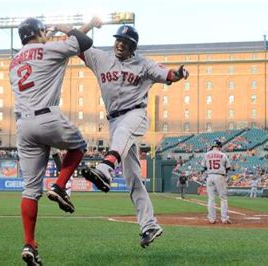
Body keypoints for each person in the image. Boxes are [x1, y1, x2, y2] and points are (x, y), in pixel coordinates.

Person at [79, 19, 189, 248]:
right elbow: (76, 42)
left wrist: (178, 73)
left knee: (122, 133)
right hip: (114, 119)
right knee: (132, 178)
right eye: (119, 39)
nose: (121, 44)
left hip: (136, 114)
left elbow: (168, 74)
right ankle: (150, 225)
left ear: (133, 47)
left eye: (126, 42)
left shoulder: (143, 64)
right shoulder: (101, 58)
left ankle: (105, 168)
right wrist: (87, 24)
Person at [9, 17, 93, 265]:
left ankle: (29, 244)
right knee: (79, 146)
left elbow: (65, 46)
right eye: (43, 31)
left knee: (30, 190)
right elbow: (83, 41)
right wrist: (66, 27)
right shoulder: (48, 48)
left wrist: (78, 28)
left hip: (24, 126)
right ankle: (59, 186)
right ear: (37, 32)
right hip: (47, 116)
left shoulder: (13, 62)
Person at [202, 140, 231, 224]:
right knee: (223, 198)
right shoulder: (223, 154)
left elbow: (204, 167)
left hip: (210, 176)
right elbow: (228, 167)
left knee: (211, 198)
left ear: (212, 146)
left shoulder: (207, 154)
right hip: (219, 176)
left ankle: (212, 218)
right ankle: (224, 218)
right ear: (219, 146)